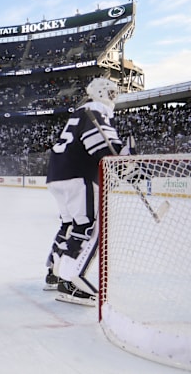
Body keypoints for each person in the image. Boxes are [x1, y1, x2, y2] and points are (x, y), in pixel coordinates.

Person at [45, 77, 126, 306]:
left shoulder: (79, 113)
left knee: (68, 224)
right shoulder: (95, 110)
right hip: (78, 175)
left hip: (57, 175)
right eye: (110, 93)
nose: (112, 99)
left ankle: (54, 271)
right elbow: (102, 146)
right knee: (89, 227)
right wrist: (127, 165)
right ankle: (72, 281)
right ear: (100, 93)